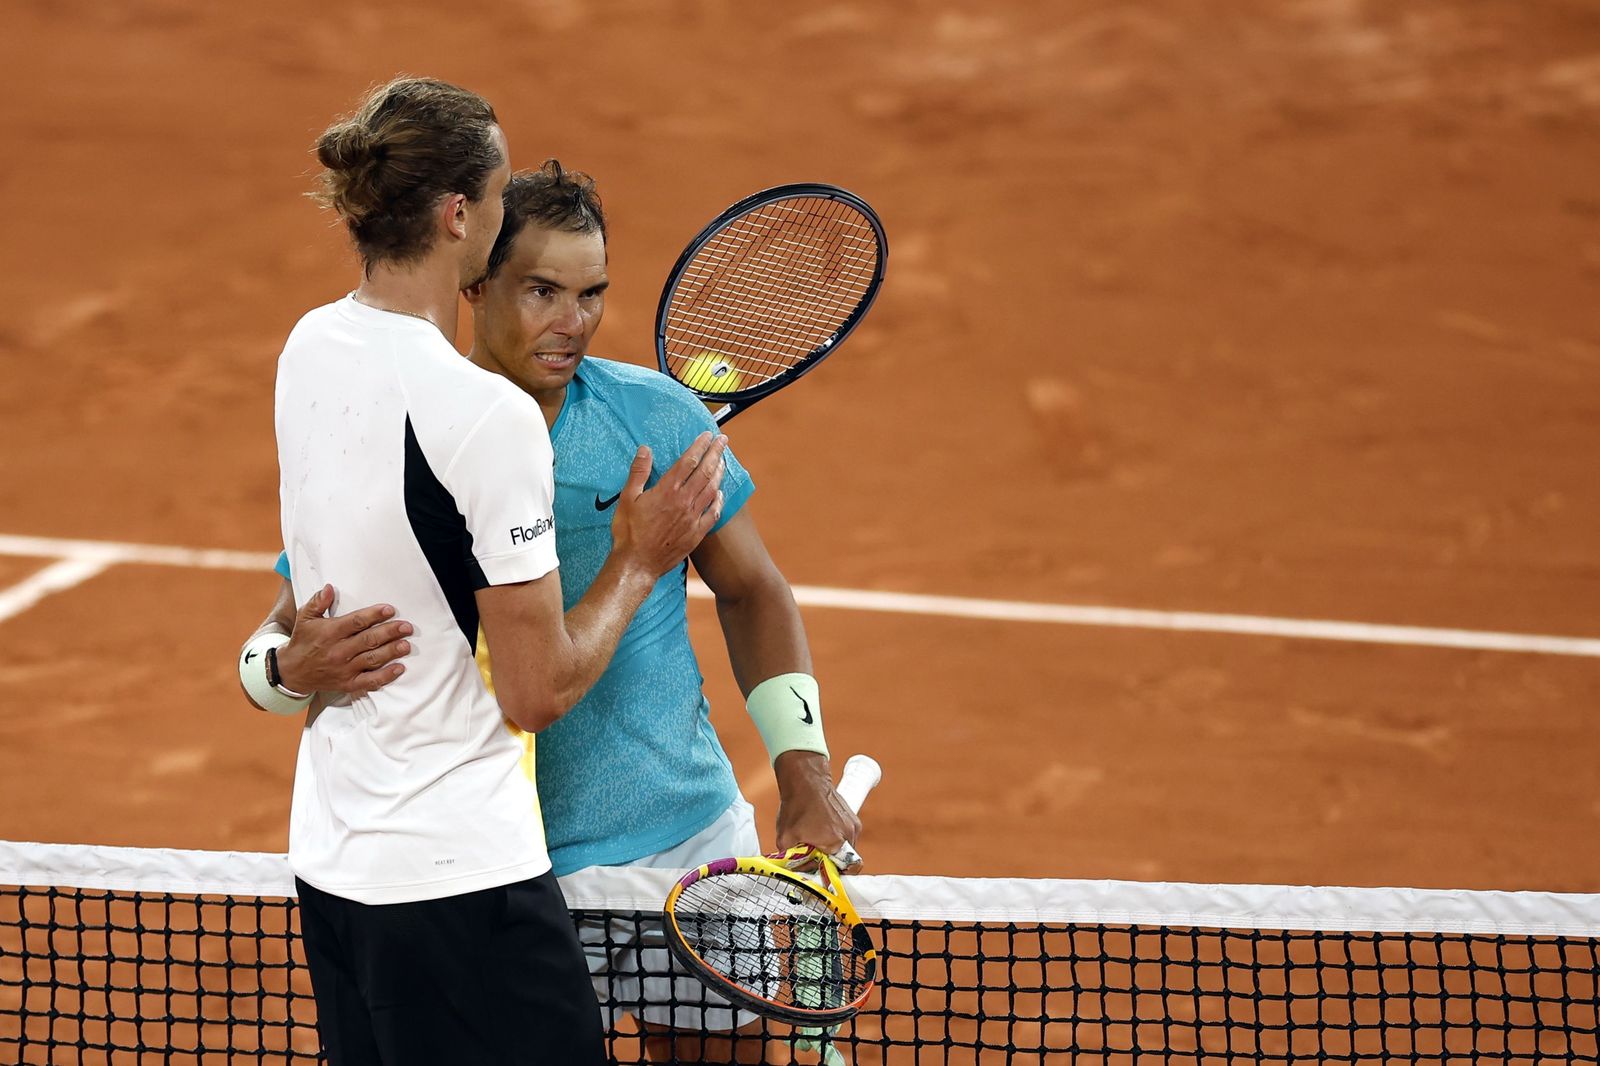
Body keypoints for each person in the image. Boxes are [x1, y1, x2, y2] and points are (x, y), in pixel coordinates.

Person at [254, 161, 860, 1064]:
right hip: (506, 874)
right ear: (476, 283)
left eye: (591, 293)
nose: (572, 322)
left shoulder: (652, 418)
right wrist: (277, 674)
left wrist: (802, 769)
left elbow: (753, 589)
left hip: (688, 853)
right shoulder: (418, 427)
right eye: (542, 290)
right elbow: (287, 624)